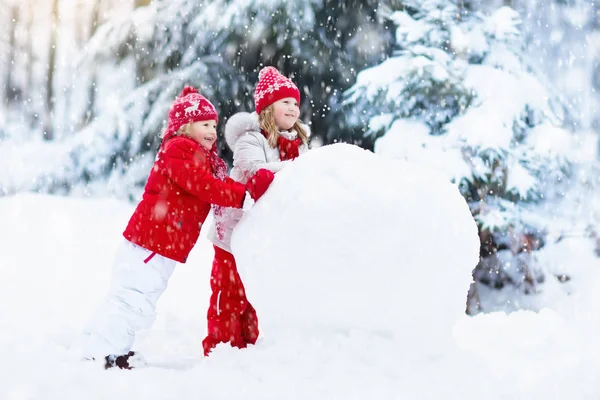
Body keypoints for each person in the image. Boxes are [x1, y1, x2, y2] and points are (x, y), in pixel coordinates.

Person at [81, 86, 275, 369]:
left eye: (214, 125)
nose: (212, 130)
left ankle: (98, 343)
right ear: (185, 126)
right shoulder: (180, 149)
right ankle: (104, 354)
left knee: (129, 295)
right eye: (205, 124)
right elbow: (205, 186)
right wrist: (245, 195)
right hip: (152, 243)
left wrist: (245, 190)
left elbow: (215, 183)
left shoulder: (196, 154)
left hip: (155, 243)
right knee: (135, 299)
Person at [203, 66, 309, 356]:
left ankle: (246, 347)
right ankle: (221, 348)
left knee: (251, 291)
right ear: (266, 108)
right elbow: (256, 175)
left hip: (258, 232)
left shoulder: (295, 145)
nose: (293, 107)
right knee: (230, 291)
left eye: (296, 103)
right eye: (285, 101)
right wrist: (295, 169)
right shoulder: (251, 139)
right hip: (233, 229)